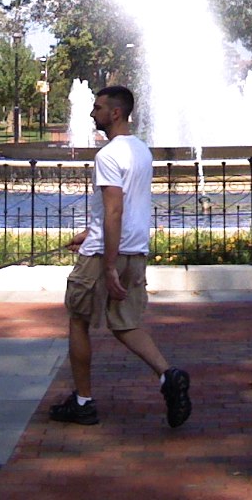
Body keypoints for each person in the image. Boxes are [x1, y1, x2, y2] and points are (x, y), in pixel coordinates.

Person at [49, 85, 192, 428]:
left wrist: (108, 263)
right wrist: (91, 230)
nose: (91, 114)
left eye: (97, 108)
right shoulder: (142, 150)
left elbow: (114, 210)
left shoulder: (108, 155)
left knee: (79, 321)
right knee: (126, 323)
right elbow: (120, 209)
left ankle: (83, 402)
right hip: (135, 249)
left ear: (115, 113)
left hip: (104, 256)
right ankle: (168, 375)